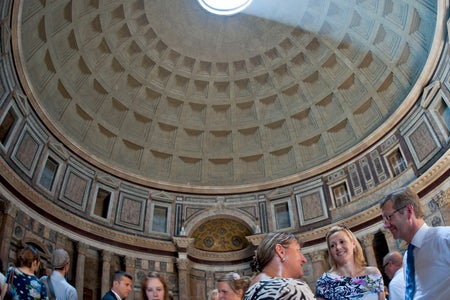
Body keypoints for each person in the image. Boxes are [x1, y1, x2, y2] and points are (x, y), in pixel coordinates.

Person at [380, 187, 450, 300]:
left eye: (389, 217)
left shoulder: (445, 238)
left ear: (408, 211)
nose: (386, 225)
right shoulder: (408, 256)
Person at [315, 225, 384, 300]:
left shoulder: (373, 274)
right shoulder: (324, 282)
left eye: (342, 242)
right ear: (330, 252)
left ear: (353, 244)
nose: (338, 247)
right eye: (332, 246)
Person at [243, 232, 315, 300]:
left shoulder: (250, 293)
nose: (304, 259)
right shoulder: (290, 288)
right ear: (281, 251)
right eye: (298, 251)